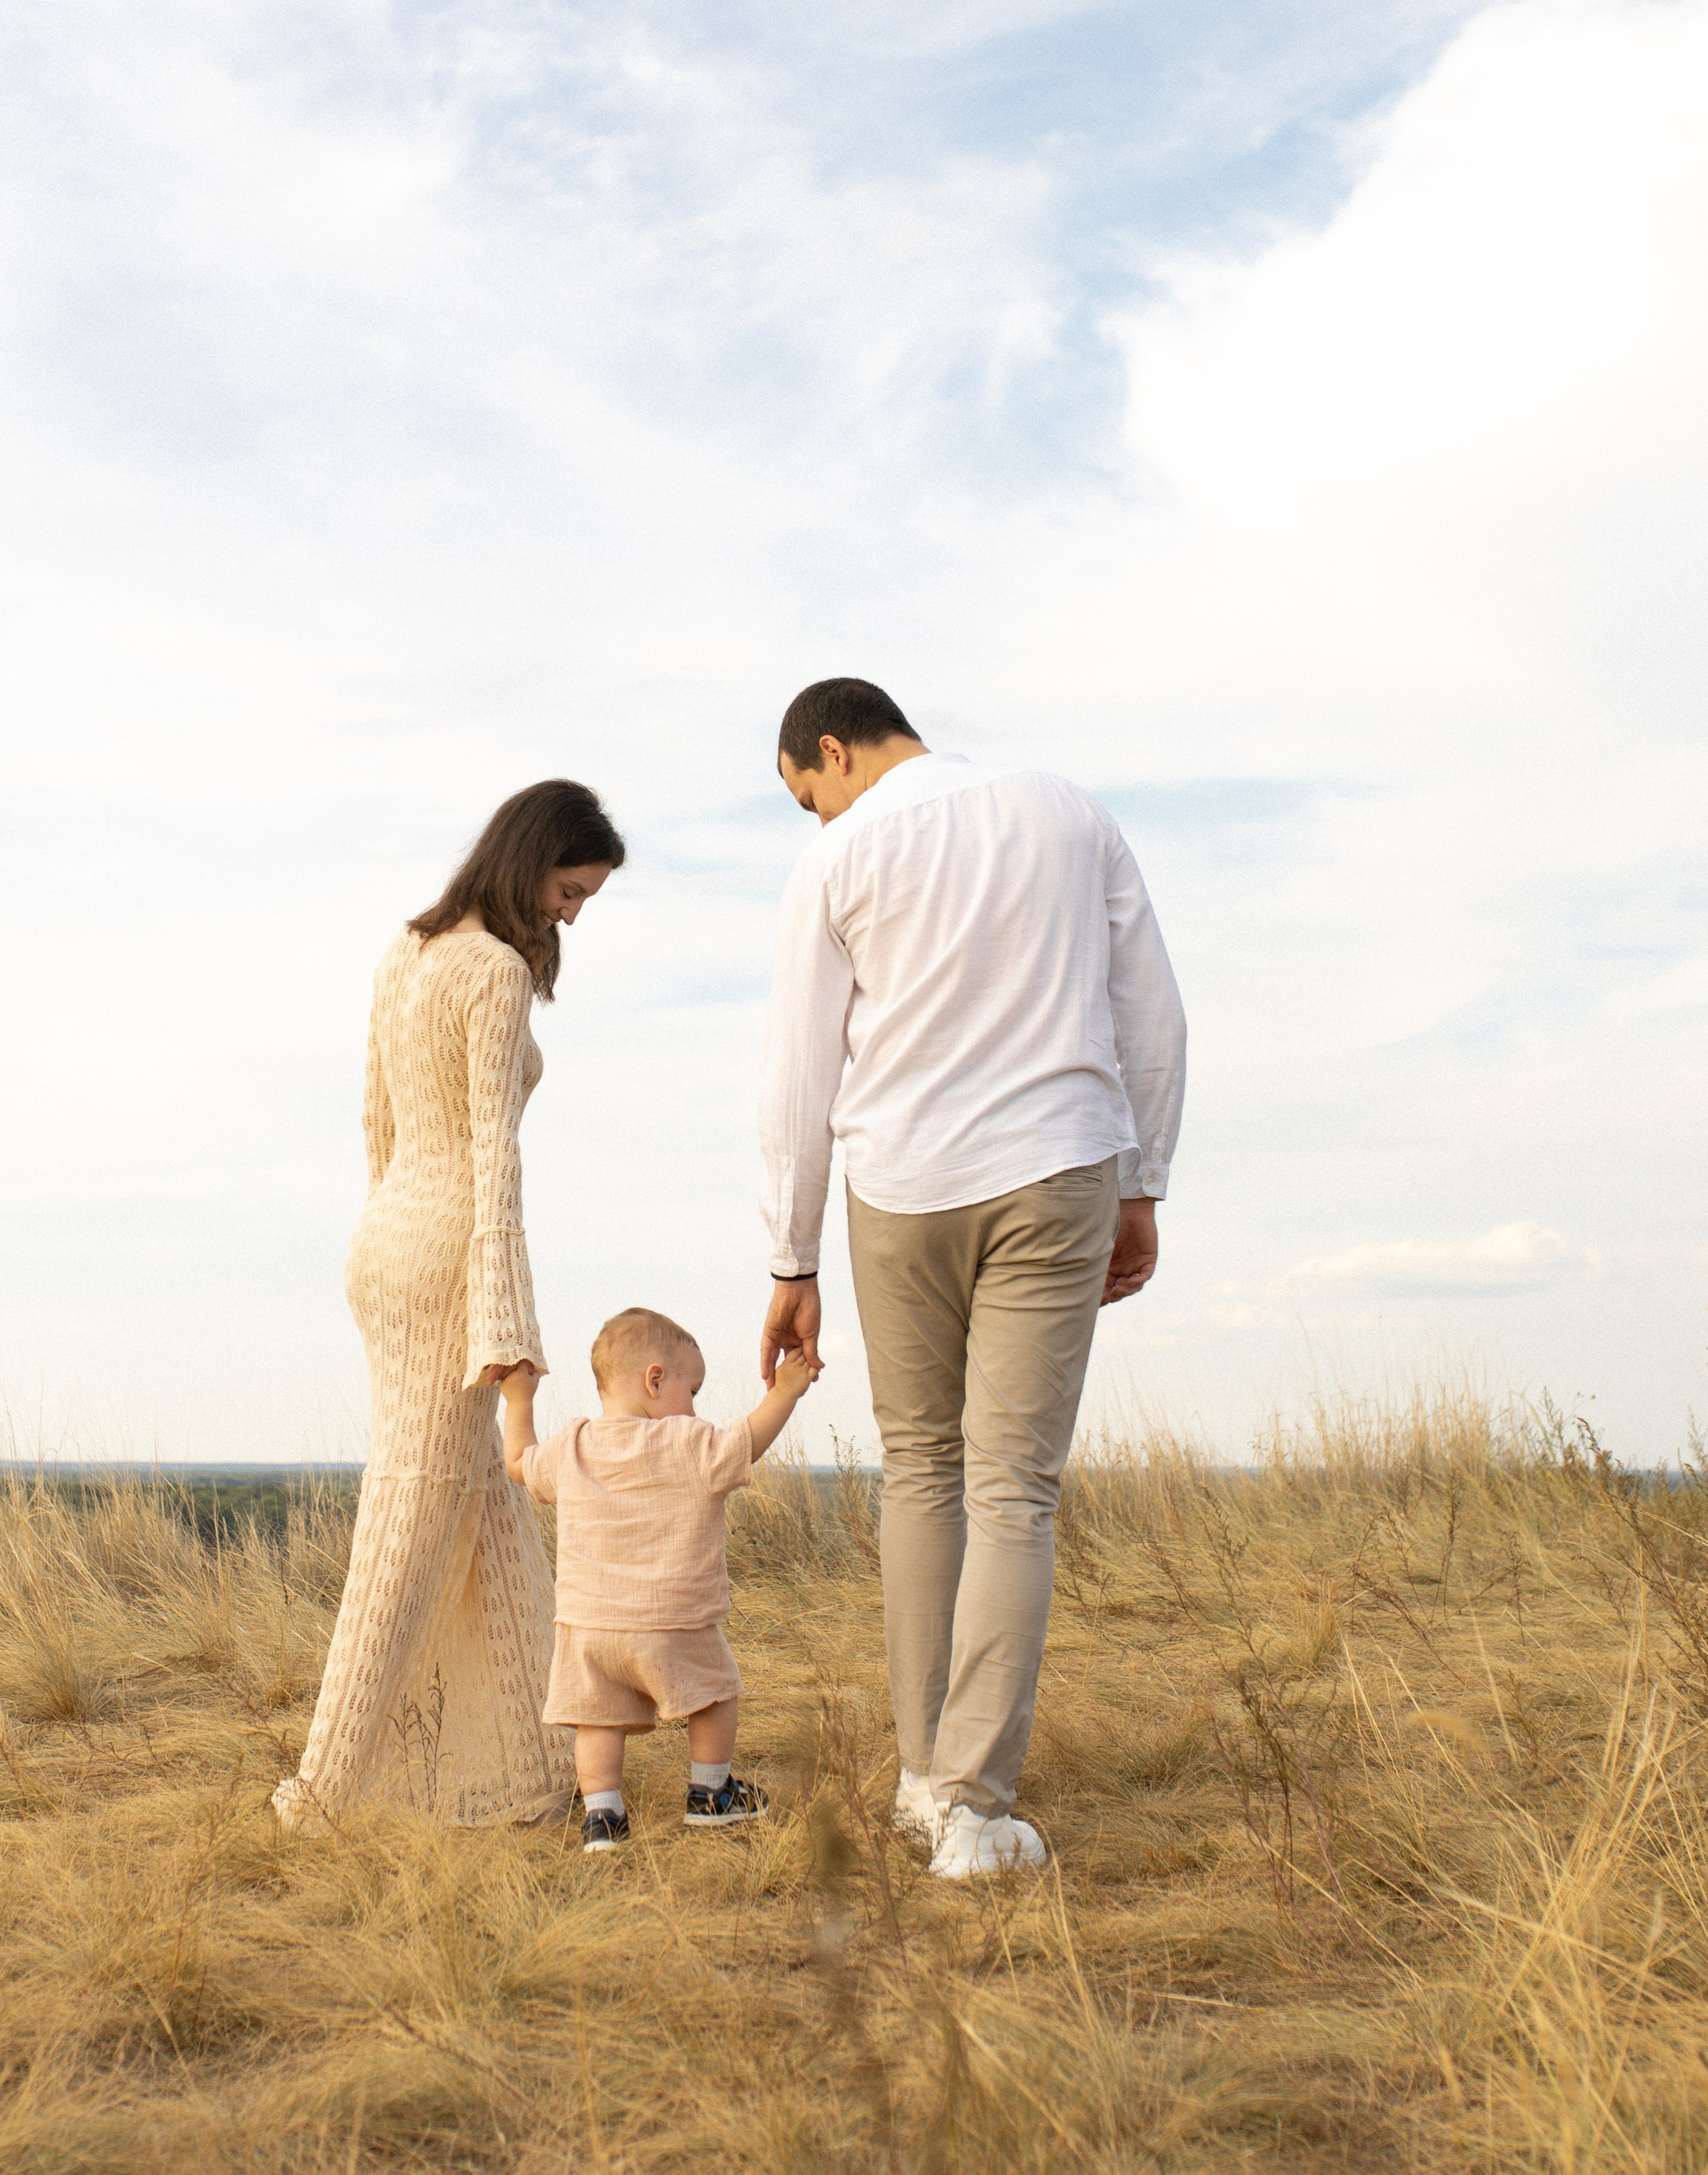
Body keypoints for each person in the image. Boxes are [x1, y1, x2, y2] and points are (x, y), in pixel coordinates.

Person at [757, 677, 1185, 1881]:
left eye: (808, 798)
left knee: (923, 1471)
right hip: (1057, 1166)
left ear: (831, 752)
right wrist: (1143, 1182)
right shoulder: (1067, 811)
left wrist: (791, 1255)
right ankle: (974, 1808)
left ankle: (917, 1777)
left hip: (896, 1185)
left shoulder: (838, 862)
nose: (816, 819)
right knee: (1014, 1490)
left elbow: (796, 1071)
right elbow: (1151, 1012)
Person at [273, 779, 625, 1831]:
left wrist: (383, 1241)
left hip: (388, 1238)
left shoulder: (408, 951)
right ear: (531, 864)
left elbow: (377, 1123)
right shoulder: (492, 970)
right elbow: (493, 1163)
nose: (572, 913)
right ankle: (321, 1796)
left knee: (494, 1523)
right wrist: (509, 1333)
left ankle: (529, 1785)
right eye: (570, 888)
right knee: (410, 1523)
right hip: (449, 1255)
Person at [503, 1308, 815, 1853]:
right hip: (675, 1622)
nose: (694, 1405)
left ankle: (603, 1819)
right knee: (716, 1695)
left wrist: (519, 1400)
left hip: (588, 1631)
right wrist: (785, 1391)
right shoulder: (687, 1442)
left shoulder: (572, 1444)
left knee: (596, 1722)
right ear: (655, 1380)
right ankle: (711, 1794)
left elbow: (518, 1463)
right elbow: (746, 1441)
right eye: (690, 1389)